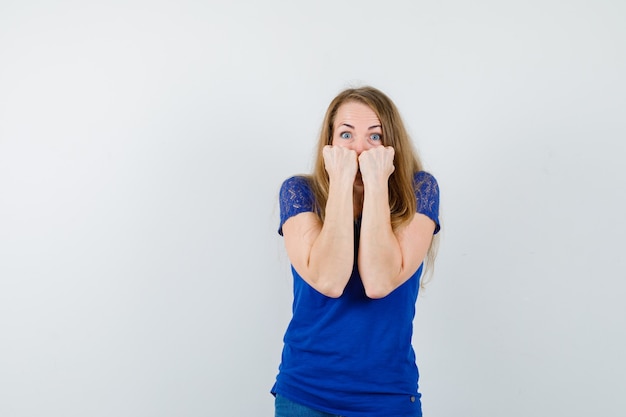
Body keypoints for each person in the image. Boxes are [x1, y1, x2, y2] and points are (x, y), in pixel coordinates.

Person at [271, 86, 441, 417]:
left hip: (387, 396)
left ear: (392, 145)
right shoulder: (299, 192)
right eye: (346, 134)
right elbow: (330, 281)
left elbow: (378, 282)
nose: (360, 147)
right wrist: (341, 184)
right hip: (306, 395)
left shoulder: (421, 191)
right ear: (330, 144)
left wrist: (377, 183)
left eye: (374, 137)